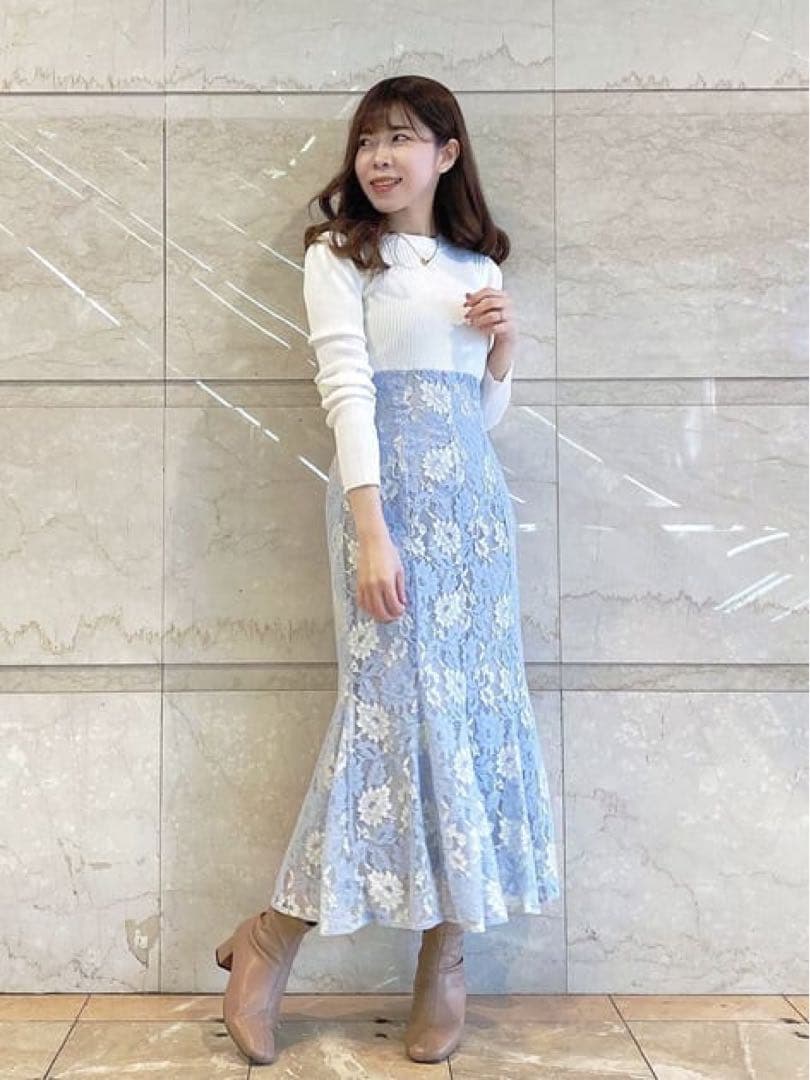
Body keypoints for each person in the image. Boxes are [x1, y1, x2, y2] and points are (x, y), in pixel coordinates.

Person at [214, 73, 561, 1067]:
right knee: (387, 717)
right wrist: (372, 530)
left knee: (470, 721)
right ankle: (270, 940)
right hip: (387, 509)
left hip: (474, 523)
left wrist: (502, 351)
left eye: (402, 138)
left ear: (447, 153)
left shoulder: (475, 264)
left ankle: (445, 958)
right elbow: (346, 387)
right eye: (369, 139)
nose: (379, 156)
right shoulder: (339, 254)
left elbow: (478, 419)